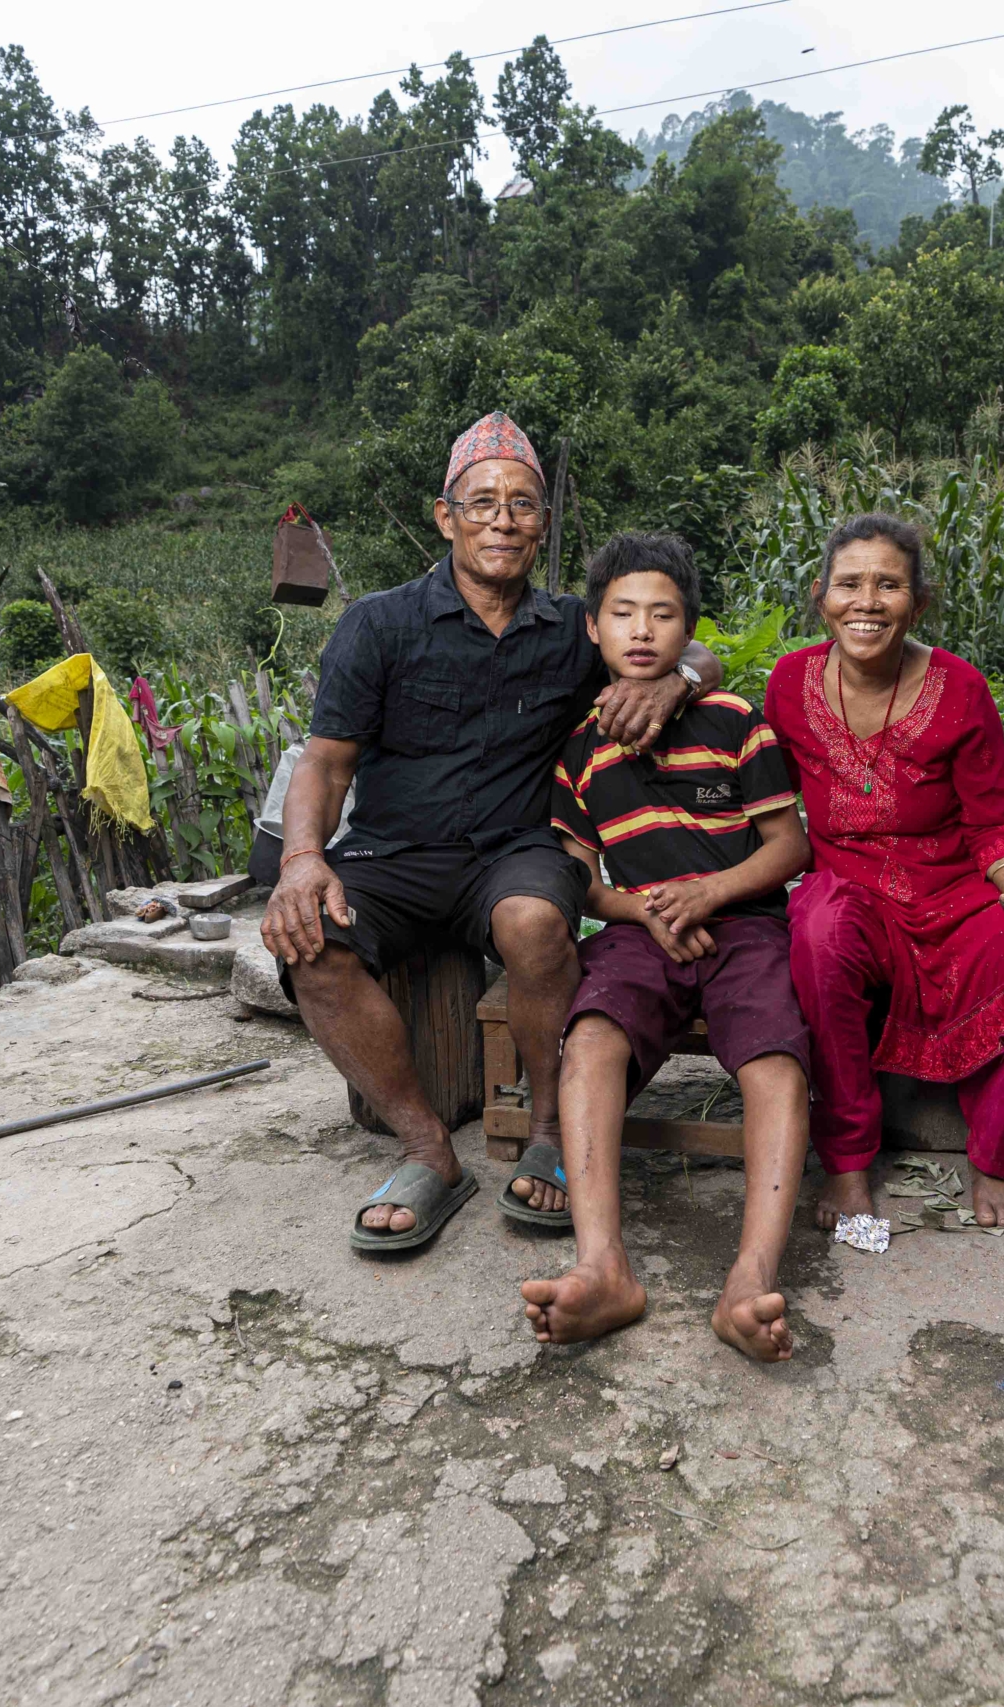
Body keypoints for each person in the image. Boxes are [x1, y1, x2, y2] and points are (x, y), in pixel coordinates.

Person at [260, 413, 726, 1254]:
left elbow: (695, 655)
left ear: (543, 525)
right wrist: (301, 860)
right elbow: (324, 764)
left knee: (538, 921)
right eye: (482, 503)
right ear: (446, 517)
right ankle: (427, 1149)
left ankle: (548, 1130)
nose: (502, 520)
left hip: (516, 852)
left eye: (522, 505)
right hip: (391, 854)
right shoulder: (379, 623)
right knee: (308, 941)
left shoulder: (572, 629)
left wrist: (675, 685)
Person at [517, 533, 813, 1361]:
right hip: (638, 930)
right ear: (592, 629)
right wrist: (645, 911)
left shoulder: (734, 722)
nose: (642, 630)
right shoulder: (580, 747)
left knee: (775, 1059)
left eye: (663, 614)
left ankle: (750, 1276)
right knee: (593, 1038)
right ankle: (602, 1263)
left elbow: (789, 848)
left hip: (744, 922)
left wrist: (710, 891)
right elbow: (578, 876)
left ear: (690, 633)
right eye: (623, 613)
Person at [763, 513, 1004, 1230]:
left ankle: (993, 1157)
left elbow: (994, 823)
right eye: (850, 584)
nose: (867, 601)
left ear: (919, 601)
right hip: (849, 892)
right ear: (821, 597)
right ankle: (848, 1163)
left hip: (952, 892)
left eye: (889, 585)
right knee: (816, 931)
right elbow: (760, 795)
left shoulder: (962, 688)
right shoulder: (789, 684)